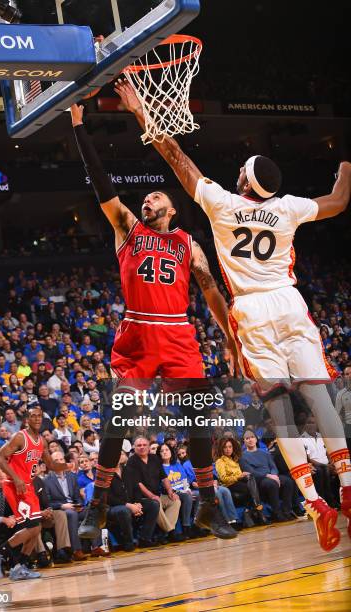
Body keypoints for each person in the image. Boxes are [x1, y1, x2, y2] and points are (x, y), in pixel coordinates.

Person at [114, 79, 351, 551]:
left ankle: (312, 501)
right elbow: (340, 200)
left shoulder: (222, 204)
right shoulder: (288, 208)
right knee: (321, 397)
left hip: (252, 309)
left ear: (243, 183)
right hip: (289, 301)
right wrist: (345, 160)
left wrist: (141, 111)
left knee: (279, 409)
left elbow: (176, 156)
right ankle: (347, 487)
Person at [70, 103, 237, 541]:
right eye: (146, 197)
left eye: (157, 196)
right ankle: (99, 505)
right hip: (140, 331)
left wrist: (230, 338)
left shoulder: (188, 245)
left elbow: (212, 292)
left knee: (200, 417)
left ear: (172, 210)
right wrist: (78, 126)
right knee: (117, 419)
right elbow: (102, 184)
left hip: (178, 332)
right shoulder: (127, 228)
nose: (149, 199)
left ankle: (207, 504)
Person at [0, 406, 73, 581]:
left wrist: (68, 465)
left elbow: (52, 465)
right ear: (26, 419)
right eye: (33, 416)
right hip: (15, 486)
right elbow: (0, 458)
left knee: (36, 528)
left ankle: (19, 567)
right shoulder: (19, 437)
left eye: (40, 415)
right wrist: (16, 479)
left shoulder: (42, 441)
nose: (37, 418)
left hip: (28, 486)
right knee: (32, 527)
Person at [240, 430, 294, 522]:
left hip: (271, 476)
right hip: (259, 480)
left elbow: (273, 466)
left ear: (256, 439)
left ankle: (287, 511)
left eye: (252, 437)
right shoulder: (243, 456)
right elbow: (251, 472)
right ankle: (276, 513)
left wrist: (274, 475)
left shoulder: (264, 453)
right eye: (247, 438)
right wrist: (268, 475)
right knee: (271, 483)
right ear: (244, 441)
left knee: (288, 481)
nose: (250, 440)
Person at [44, 451, 88, 562]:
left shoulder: (72, 476)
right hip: (60, 510)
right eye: (56, 461)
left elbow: (77, 496)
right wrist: (63, 506)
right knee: (71, 514)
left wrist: (79, 505)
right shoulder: (47, 481)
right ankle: (76, 550)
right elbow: (47, 503)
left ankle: (97, 546)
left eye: (61, 459)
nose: (59, 462)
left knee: (92, 510)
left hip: (73, 507)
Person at [215, 437, 267, 524]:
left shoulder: (234, 460)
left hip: (238, 483)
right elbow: (223, 479)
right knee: (249, 489)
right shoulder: (220, 461)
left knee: (250, 478)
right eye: (225, 447)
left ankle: (252, 510)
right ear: (221, 449)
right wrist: (239, 476)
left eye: (230, 447)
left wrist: (243, 475)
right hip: (229, 485)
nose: (228, 449)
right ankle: (258, 510)